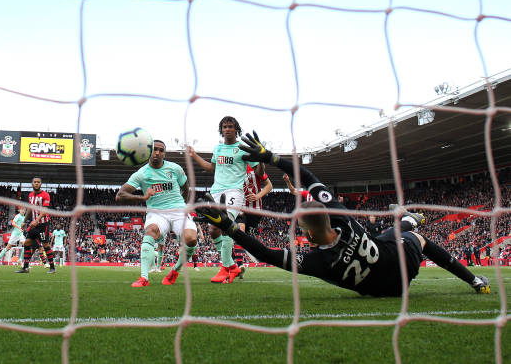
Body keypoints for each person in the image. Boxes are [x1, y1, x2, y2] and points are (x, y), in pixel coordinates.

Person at [196, 131, 490, 296]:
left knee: (396, 232)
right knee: (413, 237)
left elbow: (265, 254)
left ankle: (408, 221)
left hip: (388, 289)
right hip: (396, 262)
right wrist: (272, 158)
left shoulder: (316, 262)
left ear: (309, 233)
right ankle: (473, 279)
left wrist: (230, 228)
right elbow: (308, 176)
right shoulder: (343, 219)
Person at [188, 116, 260, 283]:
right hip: (216, 191)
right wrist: (194, 155)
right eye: (224, 127)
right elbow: (212, 168)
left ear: (236, 129)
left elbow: (258, 170)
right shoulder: (218, 148)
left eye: (230, 126)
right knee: (213, 230)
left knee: (226, 224)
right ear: (221, 130)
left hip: (234, 191)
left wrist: (261, 160)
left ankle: (225, 267)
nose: (227, 129)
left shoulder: (243, 149)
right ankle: (232, 266)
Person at [116, 140, 198, 287]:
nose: (158, 153)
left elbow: (186, 188)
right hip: (157, 213)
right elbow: (120, 195)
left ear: (164, 153)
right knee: (150, 232)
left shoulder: (175, 168)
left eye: (161, 150)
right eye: (154, 149)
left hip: (178, 210)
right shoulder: (141, 174)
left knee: (191, 239)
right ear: (148, 152)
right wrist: (143, 197)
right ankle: (144, 278)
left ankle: (174, 271)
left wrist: (184, 205)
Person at [238, 163, 273, 278]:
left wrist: (258, 196)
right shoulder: (234, 168)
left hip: (255, 210)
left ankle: (235, 262)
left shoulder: (254, 167)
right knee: (240, 231)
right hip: (239, 207)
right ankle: (239, 265)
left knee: (244, 238)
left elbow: (269, 186)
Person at [15, 177, 56, 274]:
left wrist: (37, 220)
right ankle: (25, 268)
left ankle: (52, 267)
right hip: (33, 224)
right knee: (27, 243)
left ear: (41, 184)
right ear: (32, 183)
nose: (36, 183)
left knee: (45, 245)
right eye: (35, 182)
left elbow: (45, 210)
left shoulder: (45, 195)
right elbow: (30, 208)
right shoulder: (30, 195)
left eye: (38, 182)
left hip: (43, 224)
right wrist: (24, 221)